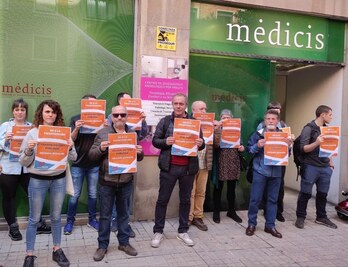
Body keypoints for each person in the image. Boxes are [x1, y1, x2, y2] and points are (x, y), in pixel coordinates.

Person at [20, 100, 77, 267]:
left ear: (57, 115)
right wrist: (29, 150)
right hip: (38, 181)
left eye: (53, 112)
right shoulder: (32, 133)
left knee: (57, 217)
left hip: (58, 180)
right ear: (41, 114)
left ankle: (57, 250)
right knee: (34, 219)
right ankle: (29, 255)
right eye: (47, 112)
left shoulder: (63, 133)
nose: (50, 115)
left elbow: (73, 158)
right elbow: (23, 161)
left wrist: (71, 147)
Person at [89, 105, 144, 261]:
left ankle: (124, 243)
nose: (119, 118)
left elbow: (139, 158)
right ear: (111, 117)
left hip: (126, 181)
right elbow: (91, 155)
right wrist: (100, 148)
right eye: (116, 115)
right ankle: (102, 246)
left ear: (127, 116)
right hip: (107, 182)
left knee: (124, 215)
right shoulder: (102, 133)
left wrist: (140, 153)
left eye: (122, 115)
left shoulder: (132, 133)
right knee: (105, 216)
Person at [151, 93, 205, 248]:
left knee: (186, 200)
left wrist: (201, 143)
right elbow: (155, 141)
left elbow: (201, 144)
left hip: (188, 168)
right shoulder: (165, 121)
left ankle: (183, 231)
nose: (178, 106)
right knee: (162, 200)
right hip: (169, 167)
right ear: (172, 105)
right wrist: (165, 142)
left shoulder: (194, 123)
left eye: (181, 103)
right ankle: (158, 231)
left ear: (185, 105)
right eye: (176, 103)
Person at [0, 98, 51, 242]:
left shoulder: (32, 127)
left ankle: (38, 224)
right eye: (17, 109)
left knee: (35, 196)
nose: (20, 112)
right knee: (9, 197)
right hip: (8, 167)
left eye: (22, 110)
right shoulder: (6, 126)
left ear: (26, 112)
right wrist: (6, 140)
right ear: (13, 111)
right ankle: (13, 227)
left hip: (28, 167)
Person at [245, 109, 293, 239]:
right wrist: (257, 145)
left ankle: (270, 226)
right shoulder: (257, 134)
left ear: (277, 121)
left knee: (273, 200)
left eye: (273, 119)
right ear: (264, 121)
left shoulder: (284, 136)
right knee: (255, 199)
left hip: (276, 173)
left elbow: (287, 155)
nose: (270, 121)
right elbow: (249, 150)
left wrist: (288, 147)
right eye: (268, 119)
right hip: (260, 171)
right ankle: (251, 224)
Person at [107, 92, 147, 237]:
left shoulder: (131, 125)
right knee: (111, 198)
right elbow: (101, 139)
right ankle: (114, 221)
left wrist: (142, 121)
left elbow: (141, 136)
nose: (119, 117)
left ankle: (124, 226)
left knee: (125, 200)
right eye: (126, 101)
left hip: (126, 169)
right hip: (111, 170)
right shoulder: (111, 119)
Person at [295, 105, 337, 229]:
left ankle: (321, 217)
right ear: (322, 115)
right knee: (305, 193)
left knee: (323, 194)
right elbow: (303, 148)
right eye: (330, 114)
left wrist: (331, 162)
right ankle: (300, 217)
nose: (331, 117)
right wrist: (316, 142)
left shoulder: (327, 129)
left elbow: (328, 148)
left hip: (325, 167)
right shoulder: (308, 128)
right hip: (310, 166)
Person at [63, 95, 100, 235]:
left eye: (94, 104)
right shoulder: (75, 119)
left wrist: (105, 127)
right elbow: (70, 140)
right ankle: (69, 222)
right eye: (88, 103)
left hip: (94, 164)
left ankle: (92, 220)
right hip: (78, 163)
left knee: (92, 194)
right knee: (74, 195)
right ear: (83, 105)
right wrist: (77, 128)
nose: (92, 106)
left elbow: (105, 137)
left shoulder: (101, 120)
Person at [256, 101, 289, 222]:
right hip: (265, 162)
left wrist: (289, 145)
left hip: (279, 162)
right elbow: (256, 142)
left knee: (280, 188)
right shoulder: (261, 126)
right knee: (265, 188)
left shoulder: (284, 126)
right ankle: (266, 210)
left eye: (278, 109)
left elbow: (288, 146)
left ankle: (278, 212)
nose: (276, 110)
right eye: (273, 108)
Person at [212, 109, 244, 224]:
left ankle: (231, 210)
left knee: (231, 188)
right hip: (221, 159)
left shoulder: (236, 129)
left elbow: (241, 144)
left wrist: (241, 147)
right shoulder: (217, 129)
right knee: (218, 188)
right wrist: (217, 129)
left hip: (233, 159)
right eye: (223, 118)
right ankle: (216, 211)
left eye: (228, 118)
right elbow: (214, 144)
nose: (226, 120)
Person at [189, 101, 216, 231]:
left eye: (205, 108)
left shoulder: (210, 124)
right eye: (201, 109)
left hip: (204, 163)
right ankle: (188, 217)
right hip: (190, 163)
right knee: (190, 192)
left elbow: (217, 143)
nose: (204, 111)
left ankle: (198, 216)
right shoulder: (187, 122)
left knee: (201, 192)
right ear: (193, 110)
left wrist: (216, 129)